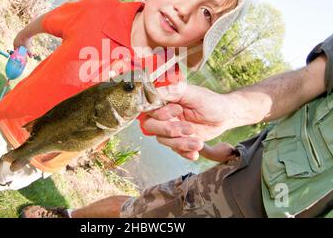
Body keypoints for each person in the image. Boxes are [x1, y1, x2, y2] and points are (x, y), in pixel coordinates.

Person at [0, 0, 253, 206]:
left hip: (56, 150)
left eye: (206, 12)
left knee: (14, 172)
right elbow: (50, 20)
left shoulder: (168, 80)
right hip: (19, 111)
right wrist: (25, 36)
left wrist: (209, 150)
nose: (184, 9)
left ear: (203, 36)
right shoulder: (98, 8)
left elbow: (176, 126)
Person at [21, 34, 333, 218]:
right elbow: (308, 82)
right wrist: (230, 110)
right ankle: (67, 215)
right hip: (249, 184)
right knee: (138, 210)